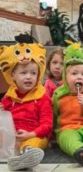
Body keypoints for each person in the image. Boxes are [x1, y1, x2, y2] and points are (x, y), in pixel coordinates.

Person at [0, 43, 52, 171]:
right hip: (12, 137)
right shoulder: (8, 98)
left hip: (35, 134)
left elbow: (47, 124)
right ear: (13, 76)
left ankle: (26, 156)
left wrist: (31, 133)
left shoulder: (42, 97)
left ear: (38, 76)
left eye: (33, 73)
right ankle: (17, 156)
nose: (29, 76)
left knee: (34, 144)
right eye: (23, 73)